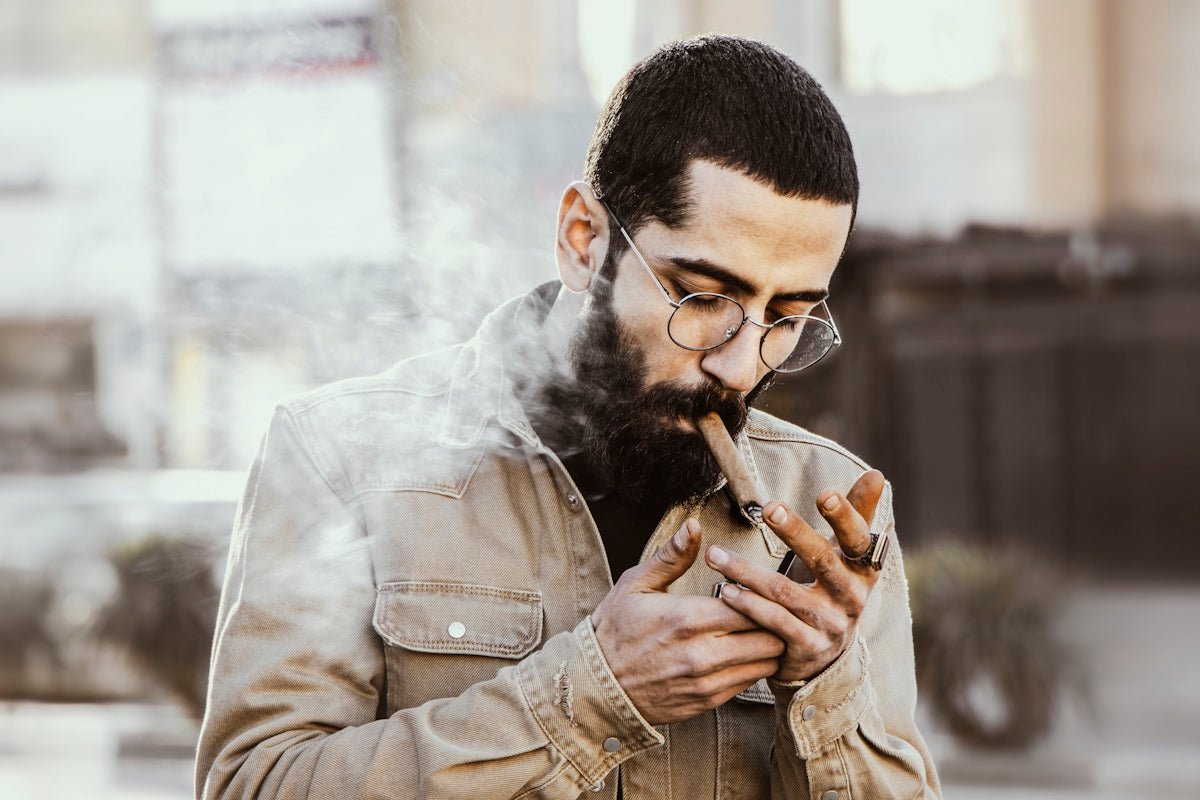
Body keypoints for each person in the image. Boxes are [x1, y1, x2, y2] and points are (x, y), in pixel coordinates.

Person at [196, 35, 940, 799]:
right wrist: (590, 696)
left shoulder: (829, 509)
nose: (741, 366)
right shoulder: (338, 458)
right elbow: (255, 786)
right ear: (584, 241)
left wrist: (825, 685)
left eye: (785, 317)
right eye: (704, 297)